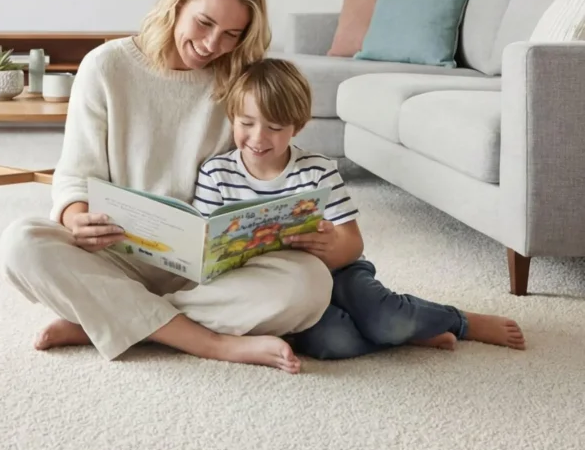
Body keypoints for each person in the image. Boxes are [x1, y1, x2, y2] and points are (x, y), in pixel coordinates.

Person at [0, 0, 333, 373]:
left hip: (205, 274)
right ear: (177, 4)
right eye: (204, 23)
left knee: (311, 285)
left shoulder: (240, 80)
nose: (214, 45)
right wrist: (75, 215)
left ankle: (109, 318)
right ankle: (209, 342)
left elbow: (265, 163)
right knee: (21, 243)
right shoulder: (107, 66)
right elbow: (74, 174)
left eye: (232, 34)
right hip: (115, 253)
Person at [194, 58, 526, 358]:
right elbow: (206, 250)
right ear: (231, 118)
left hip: (338, 273)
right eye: (246, 123)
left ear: (297, 126)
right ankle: (404, 336)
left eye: (275, 128)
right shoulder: (216, 173)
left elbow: (354, 245)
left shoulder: (317, 170)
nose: (258, 137)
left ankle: (460, 320)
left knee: (389, 318)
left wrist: (330, 245)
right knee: (334, 344)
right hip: (279, 288)